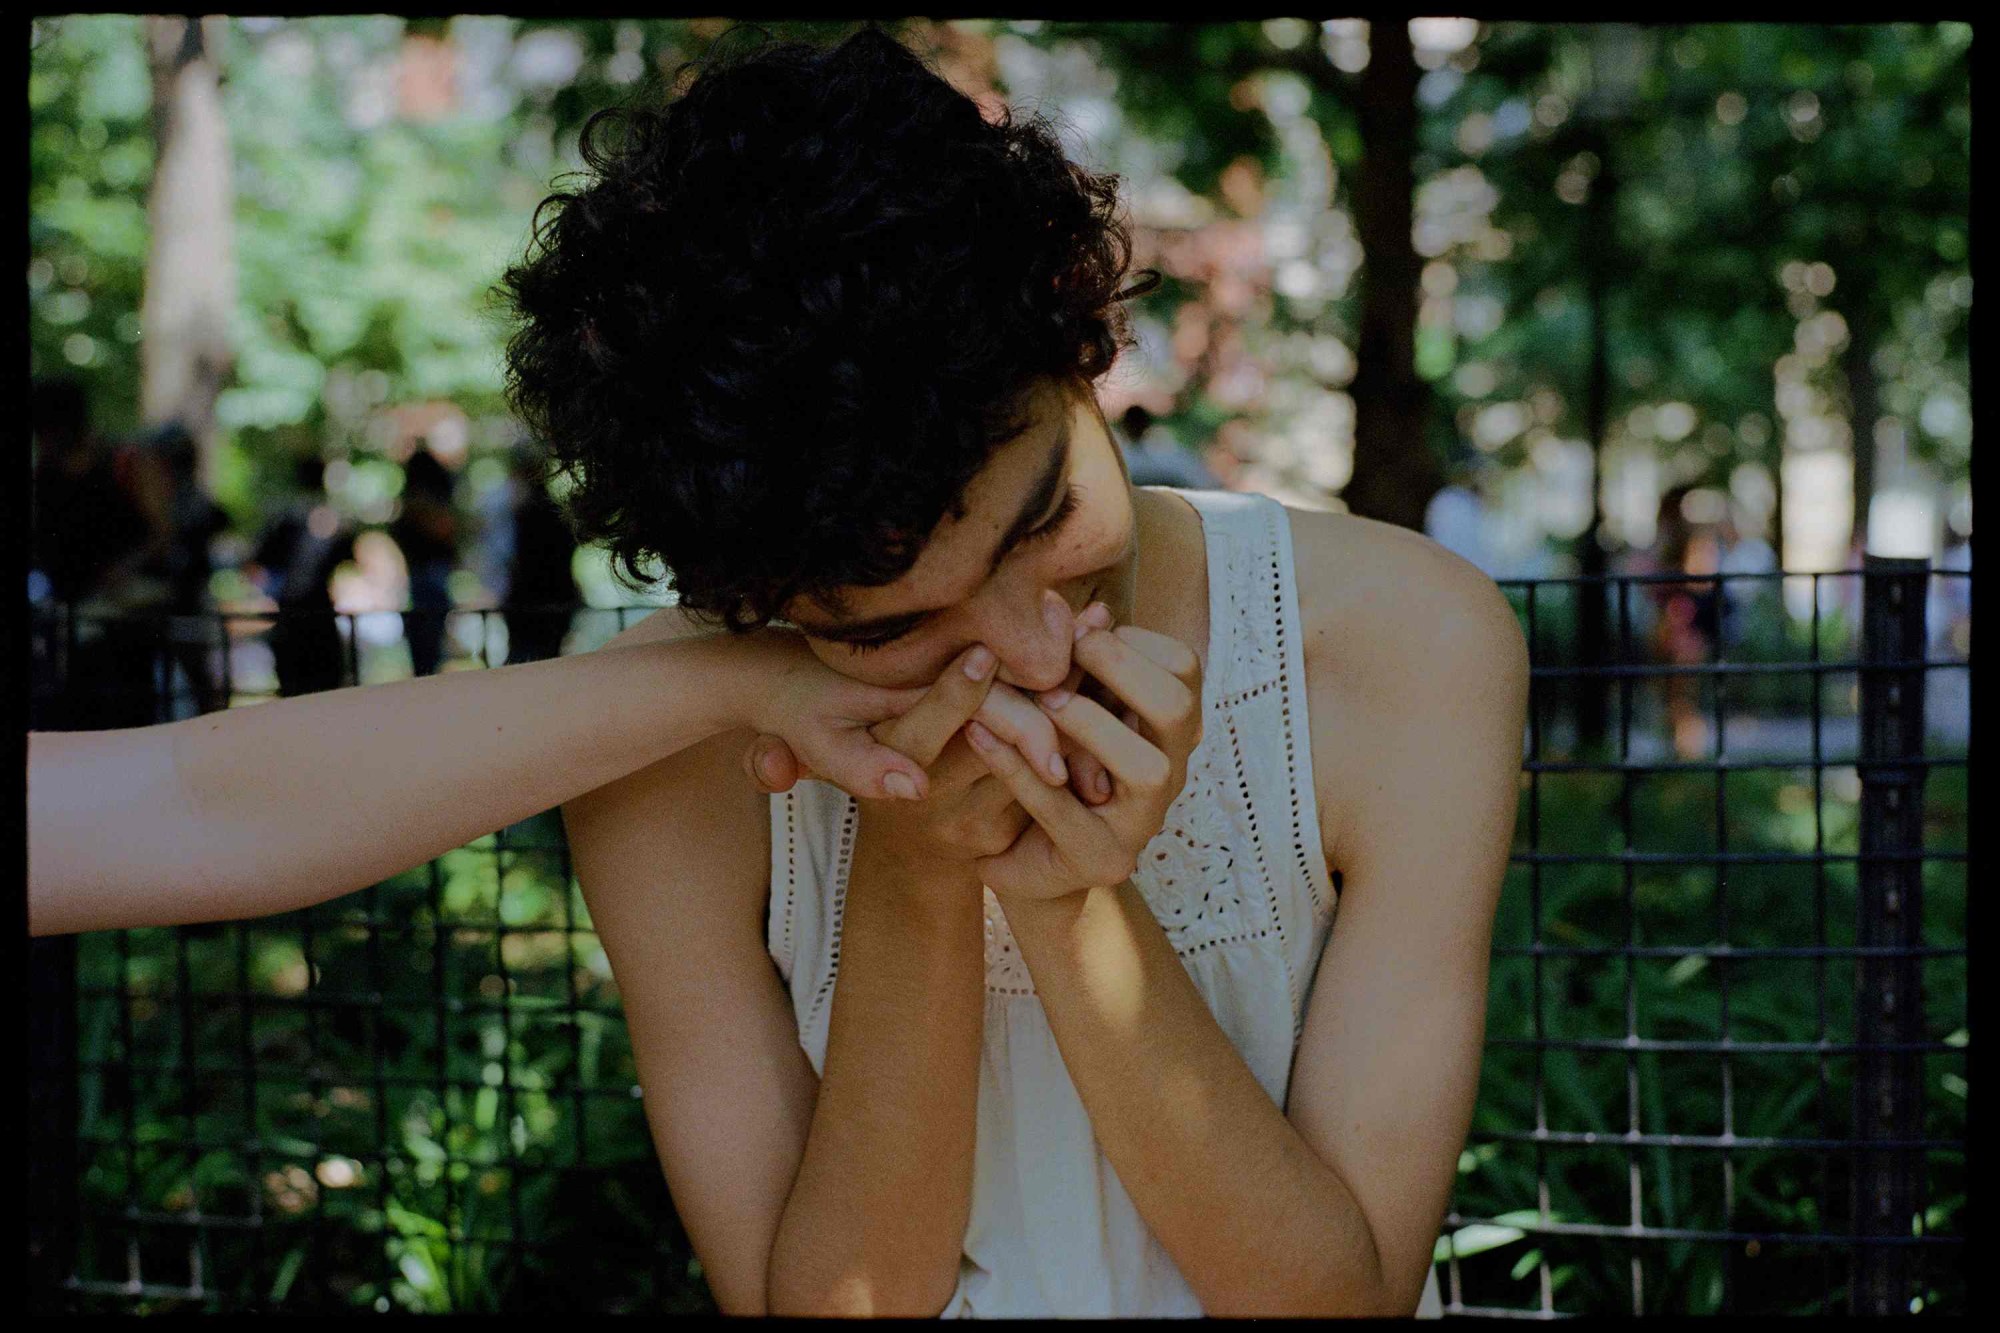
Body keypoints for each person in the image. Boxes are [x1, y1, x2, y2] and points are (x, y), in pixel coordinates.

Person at [499, 26, 1525, 1318]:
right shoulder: (664, 756)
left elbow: (1338, 1300)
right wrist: (918, 876)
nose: (1034, 654)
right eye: (883, 629)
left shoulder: (1407, 646)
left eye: (1042, 520)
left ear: (1082, 329)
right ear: (738, 600)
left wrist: (1070, 903)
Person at [250, 455, 358, 698]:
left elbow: (260, 560)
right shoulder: (324, 518)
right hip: (311, 611)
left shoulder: (288, 518)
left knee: (301, 682)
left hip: (301, 611)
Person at [502, 445, 581, 664]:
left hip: (532, 604)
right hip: (554, 600)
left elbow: (521, 561)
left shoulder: (526, 514)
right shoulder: (556, 512)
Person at [392, 443, 460, 676]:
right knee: (427, 642)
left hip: (425, 576)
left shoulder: (414, 504)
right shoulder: (426, 504)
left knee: (426, 644)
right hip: (427, 576)